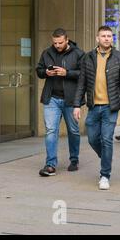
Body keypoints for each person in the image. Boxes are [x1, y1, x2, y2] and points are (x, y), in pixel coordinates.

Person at [73, 26, 120, 190]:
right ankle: (106, 156)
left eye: (109, 36)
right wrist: (77, 105)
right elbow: (82, 83)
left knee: (106, 139)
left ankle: (105, 175)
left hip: (110, 107)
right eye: (103, 36)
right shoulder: (88, 57)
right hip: (93, 107)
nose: (107, 38)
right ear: (97, 38)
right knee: (92, 139)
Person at [36, 28, 85, 176]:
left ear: (67, 40)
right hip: (52, 99)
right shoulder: (47, 53)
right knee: (51, 131)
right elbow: (39, 70)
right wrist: (46, 72)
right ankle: (50, 164)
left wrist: (67, 73)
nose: (57, 45)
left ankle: (74, 160)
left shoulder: (78, 54)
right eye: (55, 42)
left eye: (60, 42)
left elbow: (84, 74)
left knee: (73, 131)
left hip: (70, 100)